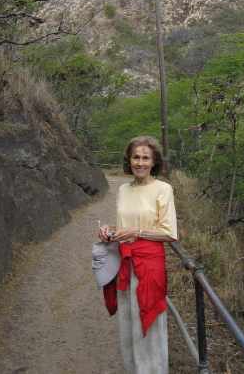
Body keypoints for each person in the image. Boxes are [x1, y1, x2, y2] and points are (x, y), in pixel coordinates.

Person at [98, 136, 178, 374]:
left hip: (150, 264)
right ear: (129, 160)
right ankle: (134, 369)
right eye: (136, 157)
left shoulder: (163, 189)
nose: (140, 162)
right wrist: (110, 230)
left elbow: (169, 233)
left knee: (149, 320)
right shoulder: (123, 189)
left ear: (154, 162)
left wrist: (137, 232)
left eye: (145, 157)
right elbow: (126, 224)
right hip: (125, 262)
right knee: (128, 320)